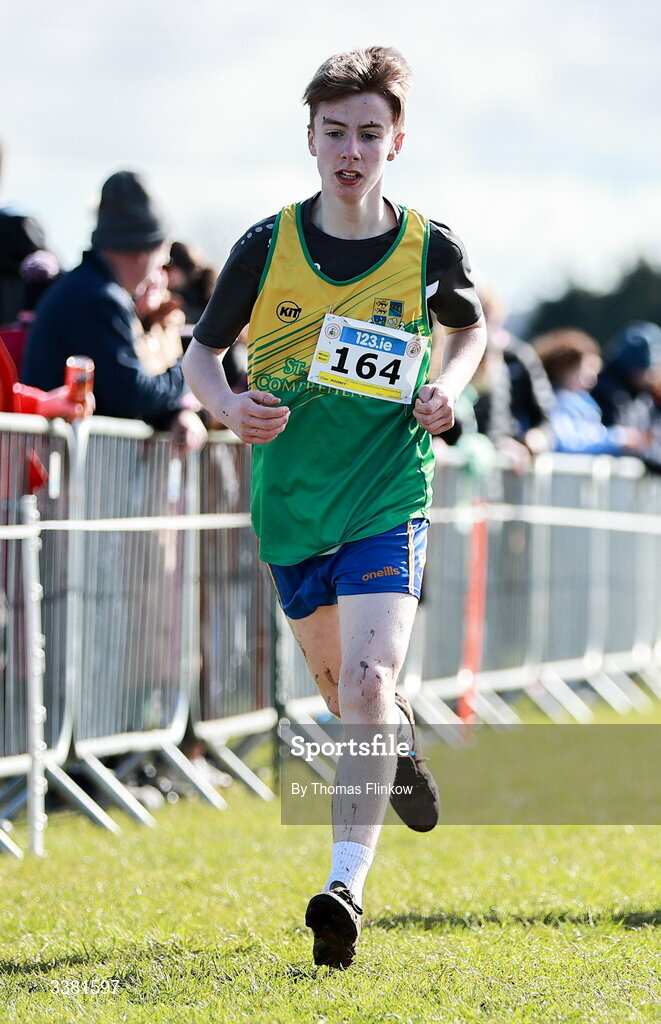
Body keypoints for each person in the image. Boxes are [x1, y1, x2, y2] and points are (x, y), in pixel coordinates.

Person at [183, 46, 486, 968]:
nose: (350, 150)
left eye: (368, 133)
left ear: (396, 141)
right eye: (333, 133)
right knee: (344, 691)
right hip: (293, 503)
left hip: (388, 489)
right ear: (310, 138)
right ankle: (392, 745)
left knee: (363, 684)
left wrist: (451, 390)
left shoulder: (428, 244)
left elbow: (468, 326)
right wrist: (226, 405)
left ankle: (344, 886)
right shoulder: (262, 246)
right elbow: (200, 353)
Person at [21, 171, 206, 449]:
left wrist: (176, 412)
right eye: (162, 258)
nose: (161, 272)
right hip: (60, 471)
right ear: (141, 252)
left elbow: (118, 392)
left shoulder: (87, 288)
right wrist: (190, 369)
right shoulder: (98, 297)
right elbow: (131, 395)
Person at [532, 328, 646, 455]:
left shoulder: (583, 401)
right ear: (566, 368)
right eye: (587, 370)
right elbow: (565, 443)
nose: (592, 379)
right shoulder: (552, 401)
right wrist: (617, 438)